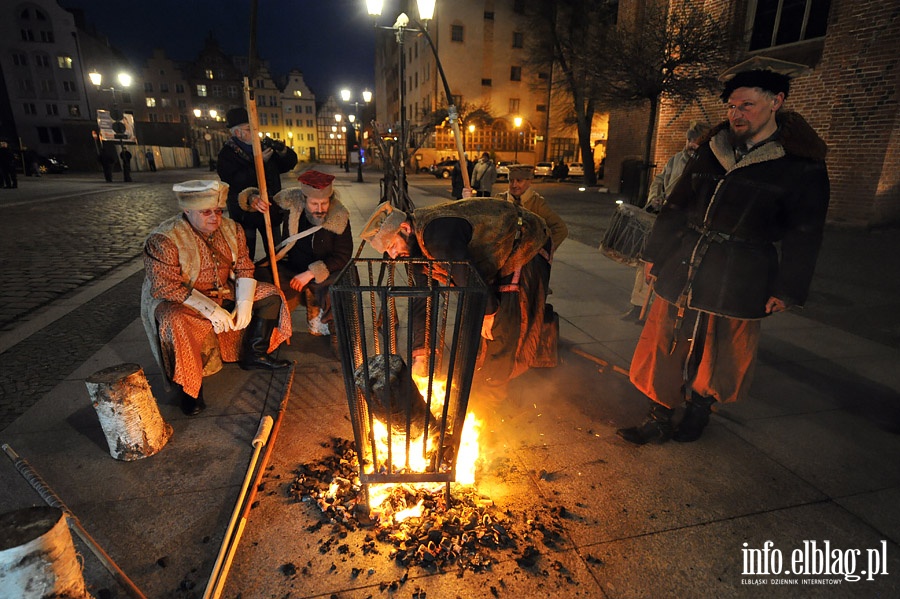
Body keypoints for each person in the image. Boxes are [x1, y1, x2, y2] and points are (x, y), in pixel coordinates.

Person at [616, 61, 830, 445]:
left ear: (776, 102)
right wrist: (653, 254)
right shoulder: (711, 150)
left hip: (743, 271)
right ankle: (659, 414)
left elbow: (806, 232)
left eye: (746, 105)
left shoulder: (800, 166)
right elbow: (677, 205)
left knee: (722, 349)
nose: (736, 114)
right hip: (685, 259)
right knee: (664, 338)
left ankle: (700, 409)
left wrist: (789, 287)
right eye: (732, 106)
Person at [360, 199, 552, 405]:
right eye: (387, 252)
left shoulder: (437, 238)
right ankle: (479, 386)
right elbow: (422, 301)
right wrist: (421, 354)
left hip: (522, 239)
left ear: (405, 228)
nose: (393, 255)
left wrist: (488, 313)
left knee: (503, 327)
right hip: (491, 257)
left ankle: (492, 402)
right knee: (477, 328)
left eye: (392, 246)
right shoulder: (414, 251)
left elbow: (467, 276)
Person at [140, 180, 293, 416]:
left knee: (271, 295)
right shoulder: (164, 239)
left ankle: (255, 353)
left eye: (218, 211)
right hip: (180, 300)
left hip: (223, 289)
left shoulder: (233, 229)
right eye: (206, 212)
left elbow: (243, 267)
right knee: (176, 321)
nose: (215, 218)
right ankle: (190, 390)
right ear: (187, 211)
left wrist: (243, 303)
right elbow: (165, 287)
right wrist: (209, 309)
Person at [241, 170, 352, 346]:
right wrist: (254, 200)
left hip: (326, 270)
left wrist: (310, 273)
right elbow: (266, 211)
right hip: (292, 265)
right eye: (314, 203)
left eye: (324, 203)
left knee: (334, 290)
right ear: (304, 199)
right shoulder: (291, 202)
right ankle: (261, 342)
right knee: (260, 280)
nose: (320, 209)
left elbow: (343, 255)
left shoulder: (339, 215)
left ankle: (338, 337)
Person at [623, 121, 710, 323]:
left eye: (695, 142)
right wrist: (655, 196)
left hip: (685, 225)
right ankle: (638, 306)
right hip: (665, 218)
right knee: (646, 263)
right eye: (689, 140)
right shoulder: (676, 160)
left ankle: (662, 315)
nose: (690, 144)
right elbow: (660, 180)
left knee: (672, 268)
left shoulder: (705, 165)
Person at [217, 107, 298, 260]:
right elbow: (233, 180)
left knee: (276, 252)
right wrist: (257, 164)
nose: (254, 133)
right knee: (246, 253)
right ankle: (249, 281)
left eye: (254, 128)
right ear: (237, 133)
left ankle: (277, 278)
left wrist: (283, 151)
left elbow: (287, 164)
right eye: (249, 129)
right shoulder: (227, 154)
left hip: (269, 209)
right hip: (244, 214)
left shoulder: (263, 147)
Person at [496, 165, 568, 253]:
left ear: (529, 181)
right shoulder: (500, 200)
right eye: (511, 181)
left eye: (519, 181)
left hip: (526, 258)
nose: (514, 185)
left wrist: (544, 248)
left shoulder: (537, 203)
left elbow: (560, 228)